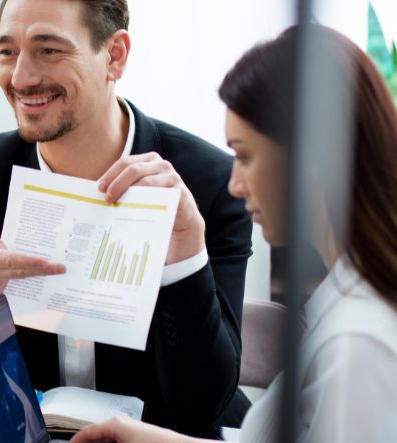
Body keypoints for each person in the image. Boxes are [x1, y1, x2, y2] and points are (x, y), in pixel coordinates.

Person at [0, 0, 253, 435]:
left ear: (115, 56)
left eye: (49, 50)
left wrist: (183, 260)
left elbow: (204, 403)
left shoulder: (207, 184)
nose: (20, 78)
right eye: (7, 52)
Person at [71, 25, 397, 443]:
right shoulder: (345, 292)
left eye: (244, 156)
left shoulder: (357, 344)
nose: (235, 184)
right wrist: (138, 436)